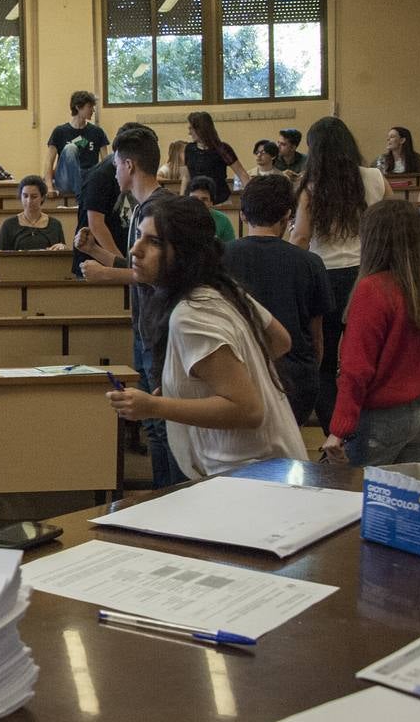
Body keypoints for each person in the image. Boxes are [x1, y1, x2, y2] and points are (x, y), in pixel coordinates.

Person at [106, 197, 305, 480]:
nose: (135, 250)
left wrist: (153, 406)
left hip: (249, 476)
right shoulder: (219, 288)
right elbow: (281, 340)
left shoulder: (191, 314)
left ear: (184, 252)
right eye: (139, 236)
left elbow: (248, 410)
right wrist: (195, 388)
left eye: (154, 242)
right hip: (267, 468)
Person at [75, 124, 187, 487]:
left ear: (128, 165)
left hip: (158, 329)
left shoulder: (153, 211)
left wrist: (103, 276)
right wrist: (96, 252)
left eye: (117, 166)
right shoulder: (154, 207)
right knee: (158, 422)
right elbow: (139, 267)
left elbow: (154, 275)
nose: (115, 172)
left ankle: (169, 500)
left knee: (160, 425)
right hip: (150, 326)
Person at [322, 200, 420, 466]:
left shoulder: (373, 289)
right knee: (406, 501)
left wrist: (338, 429)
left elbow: (356, 369)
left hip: (380, 417)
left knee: (363, 500)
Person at [290, 115, 394, 433]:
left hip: (325, 276)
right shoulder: (374, 177)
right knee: (363, 354)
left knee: (323, 360)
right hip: (367, 276)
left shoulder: (311, 186)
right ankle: (364, 426)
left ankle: (334, 432)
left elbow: (301, 238)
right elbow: (393, 221)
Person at [223, 174, 332, 427]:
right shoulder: (311, 263)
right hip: (296, 378)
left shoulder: (219, 258)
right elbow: (317, 337)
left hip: (239, 372)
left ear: (242, 215)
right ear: (287, 216)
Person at [72, 122, 146, 278]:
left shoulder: (132, 175)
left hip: (116, 260)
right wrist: (121, 264)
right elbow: (96, 224)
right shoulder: (101, 176)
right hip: (94, 264)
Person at [44, 90, 109, 200]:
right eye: (90, 107)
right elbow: (48, 161)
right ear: (78, 107)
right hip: (66, 179)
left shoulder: (97, 132)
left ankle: (82, 189)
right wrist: (49, 187)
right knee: (70, 148)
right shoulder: (60, 131)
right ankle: (81, 195)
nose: (93, 110)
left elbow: (106, 162)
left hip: (88, 177)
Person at [178, 111, 247, 206]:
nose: (189, 133)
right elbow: (186, 177)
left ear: (200, 129)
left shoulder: (223, 149)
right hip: (195, 202)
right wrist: (181, 199)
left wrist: (251, 195)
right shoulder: (189, 149)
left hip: (220, 201)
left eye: (191, 128)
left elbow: (241, 173)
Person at [0, 175, 67, 251]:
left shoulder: (55, 224)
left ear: (42, 197)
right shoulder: (9, 224)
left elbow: (61, 255)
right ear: (20, 197)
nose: (29, 201)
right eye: (25, 196)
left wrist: (62, 247)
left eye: (34, 196)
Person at [184, 176, 237, 243]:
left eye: (204, 199)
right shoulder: (179, 219)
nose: (199, 203)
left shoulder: (223, 220)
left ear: (211, 202)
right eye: (194, 198)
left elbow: (230, 249)